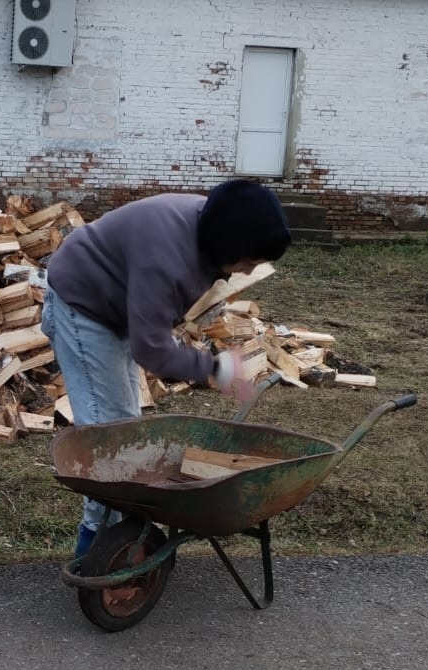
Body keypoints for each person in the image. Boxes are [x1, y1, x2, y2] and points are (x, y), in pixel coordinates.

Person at [40, 179, 292, 557]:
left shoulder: (208, 226)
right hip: (83, 307)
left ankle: (122, 532)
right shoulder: (166, 256)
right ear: (229, 245)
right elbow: (152, 350)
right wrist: (217, 368)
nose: (245, 272)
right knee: (107, 443)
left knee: (124, 425)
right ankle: (96, 549)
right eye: (249, 262)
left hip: (114, 308)